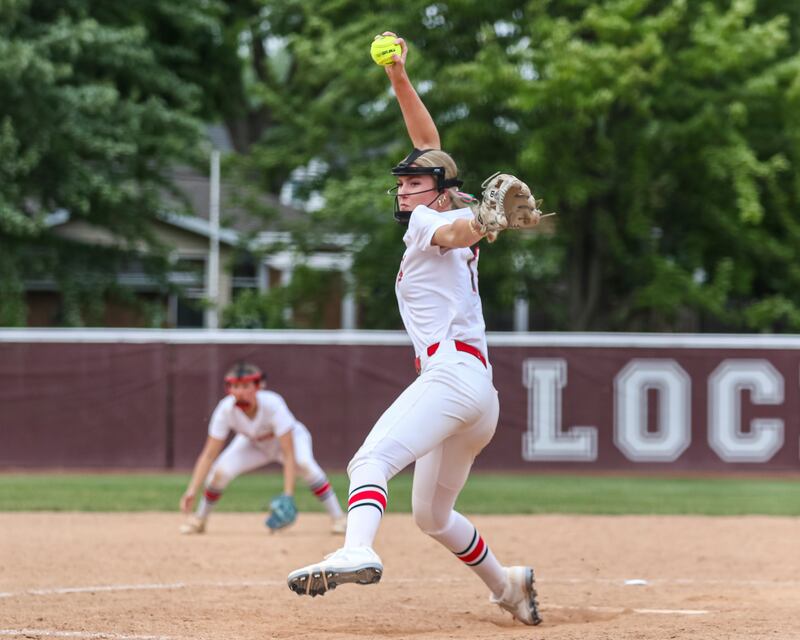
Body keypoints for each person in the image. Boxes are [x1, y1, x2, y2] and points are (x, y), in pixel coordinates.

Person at [286, 33, 542, 626]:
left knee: (367, 463)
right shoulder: (445, 205)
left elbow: (454, 229)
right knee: (431, 515)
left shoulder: (432, 221)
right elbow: (429, 147)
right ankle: (510, 588)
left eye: (414, 183)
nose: (404, 189)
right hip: (480, 396)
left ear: (441, 193)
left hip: (451, 377)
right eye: (401, 183)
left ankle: (356, 548)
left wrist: (478, 219)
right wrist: (398, 76)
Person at [179, 362, 347, 535]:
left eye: (245, 386)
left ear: (258, 386)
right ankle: (200, 519)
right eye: (235, 386)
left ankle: (339, 518)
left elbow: (289, 454)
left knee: (305, 464)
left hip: (291, 439)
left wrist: (288, 494)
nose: (240, 391)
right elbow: (208, 454)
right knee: (220, 472)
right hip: (253, 442)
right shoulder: (225, 409)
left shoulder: (273, 404)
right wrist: (192, 490)